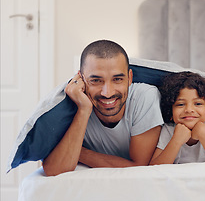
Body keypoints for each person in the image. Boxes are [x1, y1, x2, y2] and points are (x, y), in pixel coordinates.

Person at [42, 40, 163, 176]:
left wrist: (79, 152)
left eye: (117, 79)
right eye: (96, 81)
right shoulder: (71, 104)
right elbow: (53, 170)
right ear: (81, 79)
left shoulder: (144, 96)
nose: (108, 93)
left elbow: (138, 167)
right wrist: (83, 110)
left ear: (129, 78)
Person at [149, 71, 205, 164]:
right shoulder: (169, 129)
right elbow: (154, 167)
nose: (189, 110)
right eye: (180, 104)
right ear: (170, 113)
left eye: (198, 103)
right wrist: (176, 140)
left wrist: (204, 134)